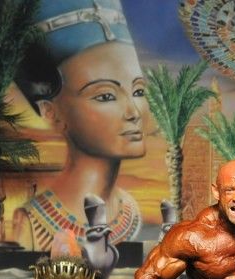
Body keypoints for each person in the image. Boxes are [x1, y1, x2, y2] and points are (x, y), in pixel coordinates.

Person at [11, 0, 145, 252]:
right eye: (106, 95)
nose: (134, 113)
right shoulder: (29, 225)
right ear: (51, 112)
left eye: (138, 91)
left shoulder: (136, 213)